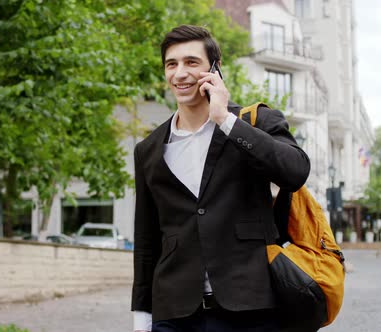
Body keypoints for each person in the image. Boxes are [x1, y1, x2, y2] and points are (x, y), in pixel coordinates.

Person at [130, 25, 311, 332]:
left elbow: (295, 171)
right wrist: (141, 315)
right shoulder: (148, 149)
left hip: (250, 308)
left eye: (191, 62)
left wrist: (225, 120)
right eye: (171, 64)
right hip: (174, 313)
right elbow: (147, 238)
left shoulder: (256, 123)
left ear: (214, 70)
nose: (180, 73)